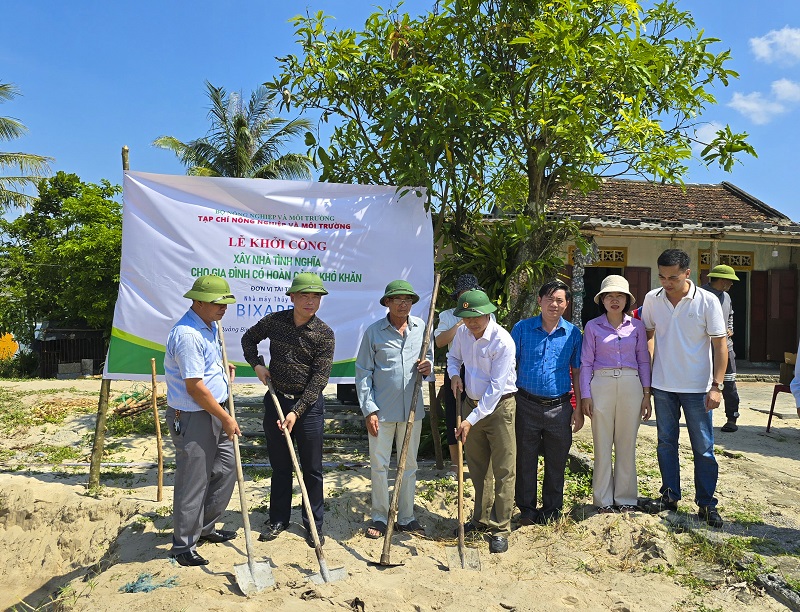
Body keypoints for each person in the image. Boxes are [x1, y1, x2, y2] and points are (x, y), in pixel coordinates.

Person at [241, 272, 335, 548]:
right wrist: (257, 364)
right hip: (276, 400)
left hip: (308, 406)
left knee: (312, 469)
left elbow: (320, 379)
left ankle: (313, 524)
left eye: (315, 296)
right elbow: (249, 339)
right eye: (304, 295)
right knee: (281, 465)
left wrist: (297, 411)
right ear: (292, 297)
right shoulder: (276, 321)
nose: (310, 301)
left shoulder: (324, 334)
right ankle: (278, 519)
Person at [641, 249, 727, 528]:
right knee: (666, 443)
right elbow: (648, 335)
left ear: (687, 274)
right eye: (662, 276)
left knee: (703, 448)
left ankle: (706, 504)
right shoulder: (652, 299)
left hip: (698, 388)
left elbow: (719, 344)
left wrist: (717, 386)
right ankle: (669, 496)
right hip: (663, 386)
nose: (667, 282)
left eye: (673, 277)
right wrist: (650, 376)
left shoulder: (707, 301)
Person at [164, 274, 241, 567]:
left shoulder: (209, 326)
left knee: (226, 468)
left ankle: (204, 528)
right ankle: (183, 545)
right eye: (217, 302)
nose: (223, 308)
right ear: (197, 301)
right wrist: (226, 417)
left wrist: (222, 371)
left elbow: (204, 371)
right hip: (195, 415)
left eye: (225, 302)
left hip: (215, 410)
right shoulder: (188, 335)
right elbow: (194, 387)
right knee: (193, 479)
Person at [356, 279, 434, 539]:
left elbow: (430, 363)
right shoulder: (374, 332)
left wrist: (428, 368)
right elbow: (364, 373)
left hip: (413, 411)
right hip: (382, 412)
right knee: (379, 465)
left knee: (409, 465)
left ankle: (406, 517)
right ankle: (379, 516)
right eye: (398, 299)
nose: (403, 303)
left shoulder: (422, 328)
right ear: (387, 302)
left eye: (408, 299)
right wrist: (369, 409)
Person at [448, 290, 517, 553]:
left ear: (488, 313)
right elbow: (453, 358)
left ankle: (500, 528)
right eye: (466, 317)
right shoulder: (463, 334)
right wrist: (454, 375)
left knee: (503, 469)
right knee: (478, 468)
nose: (472, 322)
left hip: (499, 409)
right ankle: (480, 519)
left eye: (476, 316)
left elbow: (496, 388)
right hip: (470, 404)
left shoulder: (502, 342)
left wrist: (470, 420)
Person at [511, 279, 583, 525]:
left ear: (567, 304)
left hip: (560, 407)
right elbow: (511, 366)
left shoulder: (573, 334)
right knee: (525, 459)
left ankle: (552, 509)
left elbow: (577, 372)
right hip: (525, 404)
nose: (554, 304)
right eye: (549, 299)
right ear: (539, 301)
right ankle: (527, 510)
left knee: (557, 460)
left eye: (559, 300)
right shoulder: (522, 328)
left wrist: (579, 408)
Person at [580, 275, 651, 514]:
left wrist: (646, 394)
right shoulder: (592, 326)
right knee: (601, 443)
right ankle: (602, 500)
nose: (614, 300)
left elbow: (643, 360)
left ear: (627, 300)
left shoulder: (637, 326)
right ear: (601, 299)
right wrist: (585, 395)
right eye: (609, 296)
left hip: (632, 384)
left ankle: (626, 497)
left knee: (626, 442)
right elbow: (586, 363)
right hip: (601, 383)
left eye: (619, 296)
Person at [433, 273, 486, 479]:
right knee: (453, 417)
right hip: (455, 369)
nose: (468, 300)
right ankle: (456, 465)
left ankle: (476, 464)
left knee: (478, 414)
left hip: (479, 368)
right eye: (464, 295)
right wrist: (461, 323)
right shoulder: (447, 316)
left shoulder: (485, 313)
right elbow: (439, 342)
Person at [701, 264, 741, 433]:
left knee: (729, 384)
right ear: (723, 280)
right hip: (704, 348)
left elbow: (730, 314)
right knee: (703, 385)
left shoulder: (727, 297)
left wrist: (729, 328)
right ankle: (702, 418)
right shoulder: (700, 295)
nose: (732, 285)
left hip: (726, 347)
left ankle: (732, 418)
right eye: (730, 281)